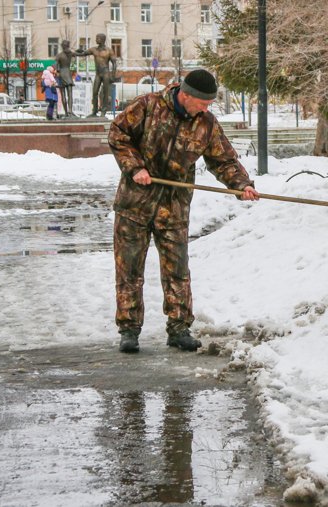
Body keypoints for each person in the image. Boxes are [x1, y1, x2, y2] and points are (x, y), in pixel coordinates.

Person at [107, 69, 259, 353]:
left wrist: (241, 184)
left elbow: (223, 159)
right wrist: (135, 167)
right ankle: (129, 330)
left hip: (173, 208)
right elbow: (118, 134)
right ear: (186, 96)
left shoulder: (206, 124)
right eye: (203, 102)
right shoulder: (147, 106)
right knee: (128, 270)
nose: (207, 107)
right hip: (134, 205)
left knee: (177, 270)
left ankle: (179, 328)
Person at [75, 33, 117, 117]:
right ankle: (94, 111)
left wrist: (113, 75)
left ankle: (103, 111)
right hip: (98, 74)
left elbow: (114, 64)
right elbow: (83, 53)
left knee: (105, 93)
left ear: (102, 39)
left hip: (106, 73)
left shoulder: (109, 50)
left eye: (98, 38)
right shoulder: (94, 49)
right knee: (94, 92)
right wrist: (75, 52)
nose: (96, 39)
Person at [55, 40, 76, 117]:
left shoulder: (59, 55)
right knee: (70, 94)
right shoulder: (70, 54)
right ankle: (70, 111)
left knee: (63, 94)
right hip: (68, 73)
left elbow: (55, 65)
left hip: (62, 73)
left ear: (62, 46)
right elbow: (78, 54)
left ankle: (66, 112)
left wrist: (57, 72)